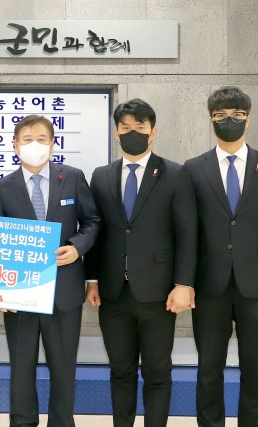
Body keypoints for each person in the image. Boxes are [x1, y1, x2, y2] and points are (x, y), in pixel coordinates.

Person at [183, 86, 258, 427]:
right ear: (210, 120)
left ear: (248, 120)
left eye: (236, 115)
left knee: (255, 368)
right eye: (220, 115)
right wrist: (184, 282)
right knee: (208, 369)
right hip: (209, 285)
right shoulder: (193, 168)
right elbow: (188, 233)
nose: (228, 121)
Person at [84, 98, 197, 427]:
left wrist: (183, 283)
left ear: (153, 132)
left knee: (157, 372)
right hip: (113, 293)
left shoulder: (175, 174)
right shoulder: (102, 175)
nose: (132, 132)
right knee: (120, 370)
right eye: (125, 127)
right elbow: (95, 230)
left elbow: (187, 234)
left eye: (140, 127)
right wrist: (92, 279)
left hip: (159, 294)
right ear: (116, 133)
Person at [0, 115, 100, 427]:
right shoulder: (3, 187)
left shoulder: (73, 177)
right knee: (21, 368)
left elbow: (92, 221)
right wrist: (0, 291)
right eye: (27, 139)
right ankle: (22, 422)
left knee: (63, 369)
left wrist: (77, 247)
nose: (34, 145)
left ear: (52, 144)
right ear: (15, 146)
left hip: (64, 291)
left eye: (41, 138)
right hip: (19, 293)